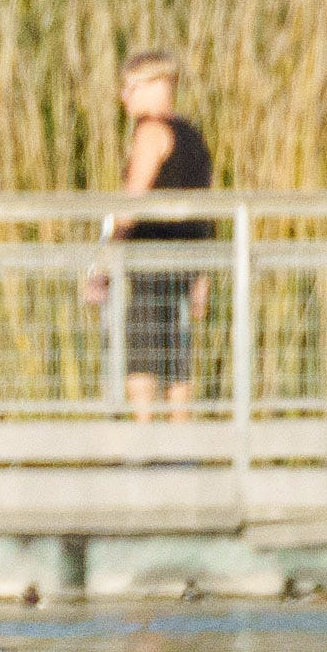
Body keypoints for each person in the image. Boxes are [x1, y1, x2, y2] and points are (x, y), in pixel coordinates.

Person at [81, 52, 215, 423]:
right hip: (186, 262)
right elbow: (205, 210)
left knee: (142, 355)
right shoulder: (192, 134)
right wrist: (202, 276)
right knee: (178, 359)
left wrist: (102, 265)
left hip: (150, 261)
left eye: (131, 87)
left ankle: (144, 443)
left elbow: (131, 202)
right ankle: (181, 447)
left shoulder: (150, 131)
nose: (124, 96)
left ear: (159, 85)